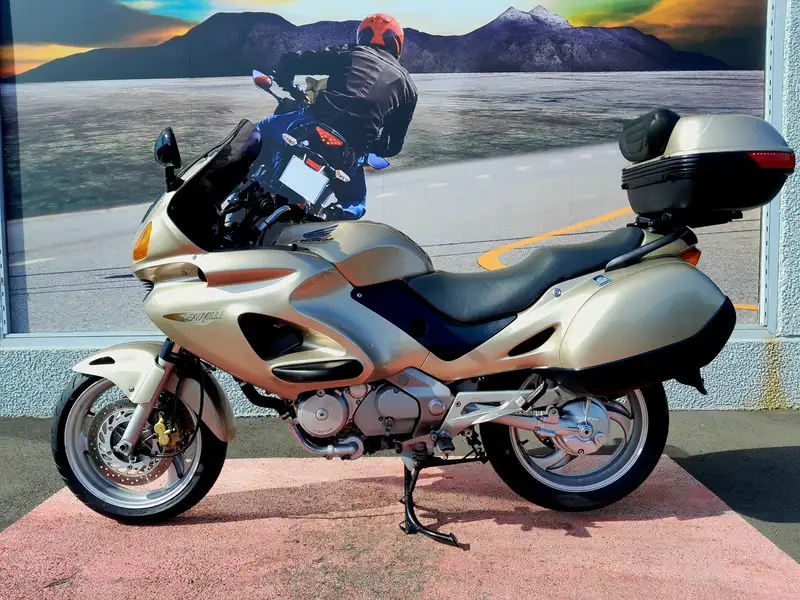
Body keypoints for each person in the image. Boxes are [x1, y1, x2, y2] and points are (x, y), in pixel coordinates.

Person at [255, 13, 419, 220]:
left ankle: (223, 180)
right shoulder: (409, 89)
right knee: (356, 203)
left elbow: (293, 60)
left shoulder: (351, 53)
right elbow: (392, 146)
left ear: (363, 37)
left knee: (260, 130)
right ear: (397, 44)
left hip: (313, 123)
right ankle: (330, 216)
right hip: (350, 149)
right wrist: (370, 145)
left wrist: (284, 79)